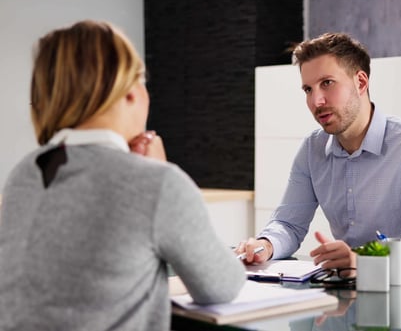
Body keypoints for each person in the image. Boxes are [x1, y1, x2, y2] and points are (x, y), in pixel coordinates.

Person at [0, 20, 246, 331]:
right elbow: (222, 286)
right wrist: (156, 171)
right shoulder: (157, 183)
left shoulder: (24, 174)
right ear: (130, 92)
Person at [237, 32, 401, 273]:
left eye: (327, 83)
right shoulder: (312, 149)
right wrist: (265, 245)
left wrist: (366, 260)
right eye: (308, 90)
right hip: (346, 293)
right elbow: (289, 224)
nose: (316, 101)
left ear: (361, 82)